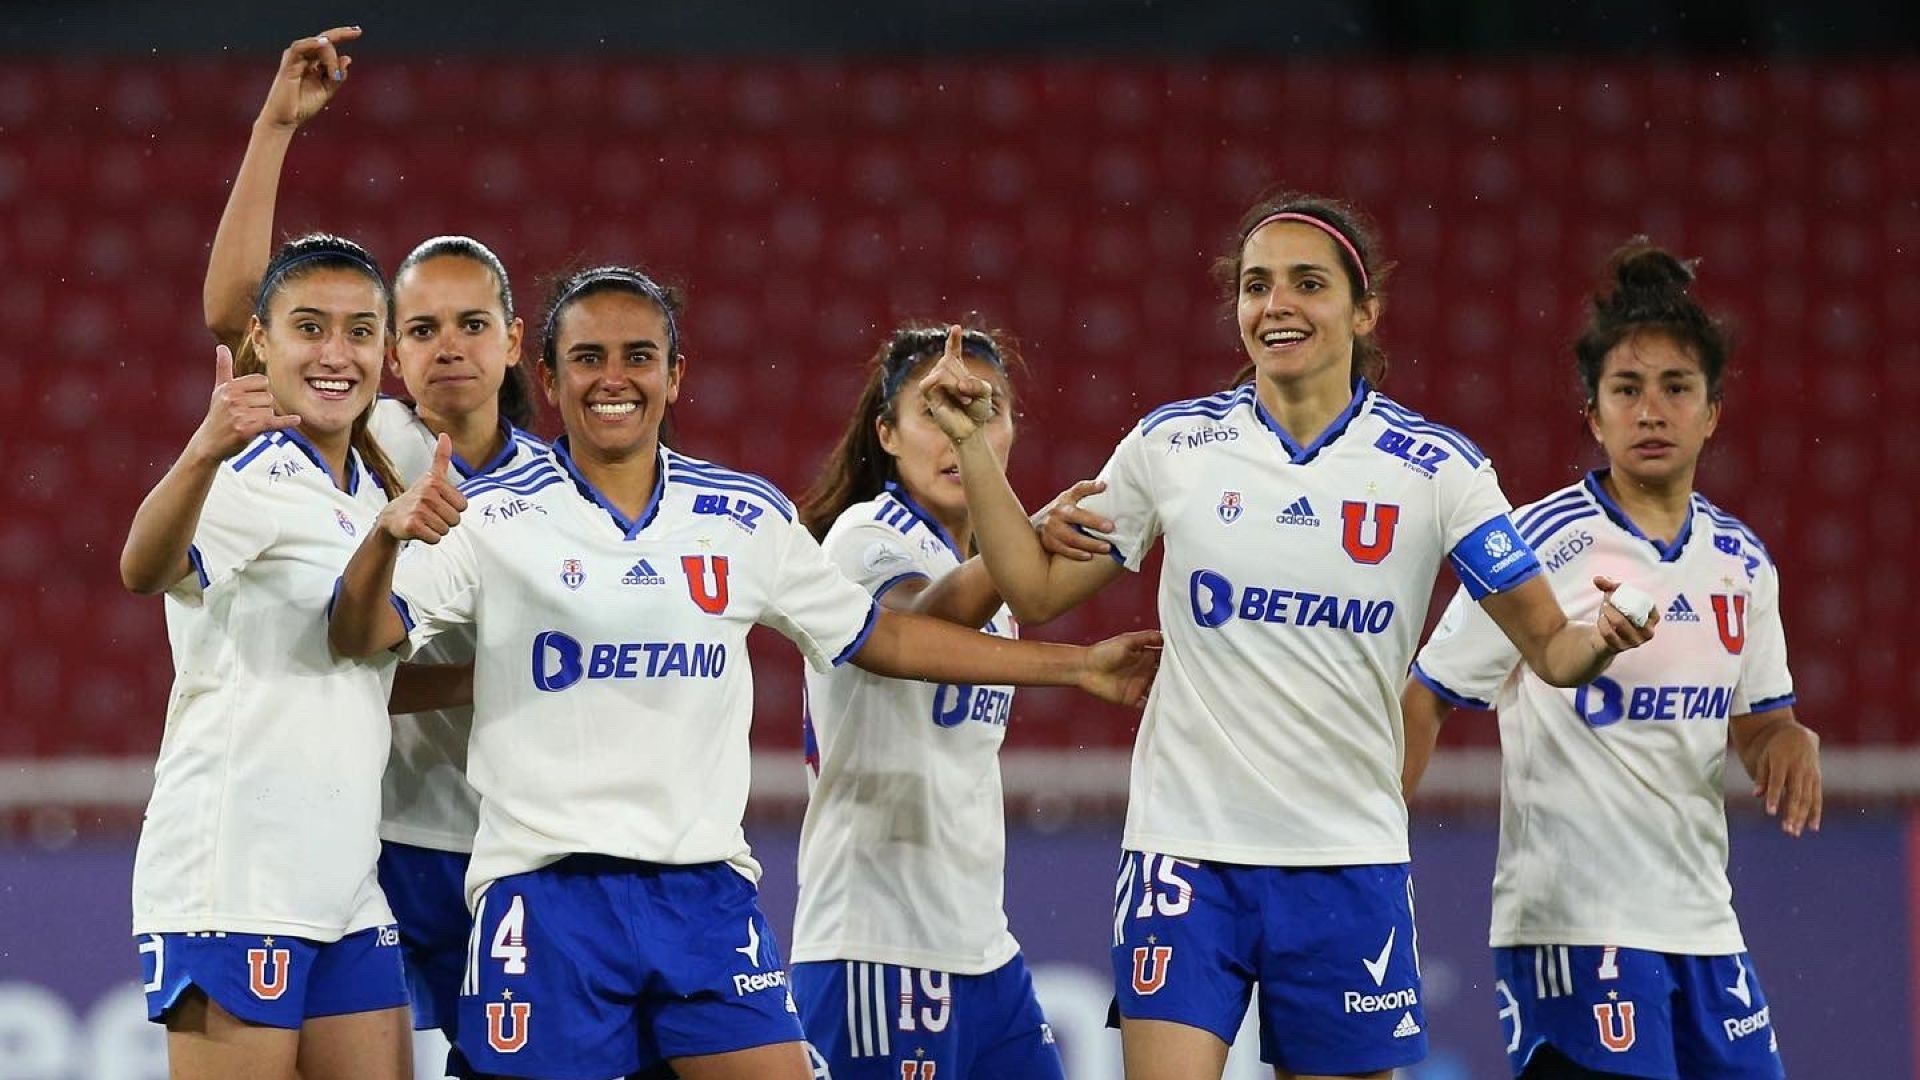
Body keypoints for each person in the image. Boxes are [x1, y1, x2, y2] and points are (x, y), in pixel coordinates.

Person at [327, 267, 1163, 1080]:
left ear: (676, 374)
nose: (614, 379)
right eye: (587, 358)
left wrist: (1077, 665)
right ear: (546, 376)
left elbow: (887, 639)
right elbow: (360, 636)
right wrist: (386, 538)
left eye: (638, 356)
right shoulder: (496, 516)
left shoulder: (743, 516)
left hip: (706, 898)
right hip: (550, 897)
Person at [920, 191, 1658, 1080]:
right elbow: (1034, 594)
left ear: (1364, 310)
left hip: (1345, 864)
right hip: (1185, 855)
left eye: (1308, 284)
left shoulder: (1440, 471)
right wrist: (971, 449)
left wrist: (1606, 635)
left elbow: (1553, 652)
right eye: (1257, 285)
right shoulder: (1174, 446)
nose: (1278, 306)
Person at [199, 31, 549, 1076]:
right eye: (423, 327)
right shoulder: (371, 445)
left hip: (499, 849)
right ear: (392, 351)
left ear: (514, 340)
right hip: (375, 840)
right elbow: (237, 318)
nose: (449, 346)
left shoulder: (559, 494)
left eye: (472, 324)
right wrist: (274, 129)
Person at [1400, 240, 1819, 1080]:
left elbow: (1760, 717)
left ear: (1713, 412)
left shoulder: (1743, 562)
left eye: (1677, 389)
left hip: (1704, 927)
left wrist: (1786, 740)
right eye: (1627, 390)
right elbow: (1427, 695)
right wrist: (1370, 843)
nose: (1652, 410)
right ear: (1593, 414)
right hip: (1572, 925)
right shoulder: (1535, 544)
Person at [120, 235, 413, 1080]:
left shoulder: (373, 489)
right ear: (261, 340)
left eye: (359, 331)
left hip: (345, 880)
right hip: (237, 875)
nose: (335, 353)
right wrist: (203, 452)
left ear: (384, 351)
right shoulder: (248, 475)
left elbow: (360, 670)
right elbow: (142, 569)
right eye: (309, 328)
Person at [788, 325, 1070, 1079]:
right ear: (886, 433)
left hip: (984, 948)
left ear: (1008, 430)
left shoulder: (989, 574)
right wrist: (1036, 531)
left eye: (984, 408)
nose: (959, 430)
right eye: (935, 409)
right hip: (877, 946)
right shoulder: (862, 536)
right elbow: (913, 622)